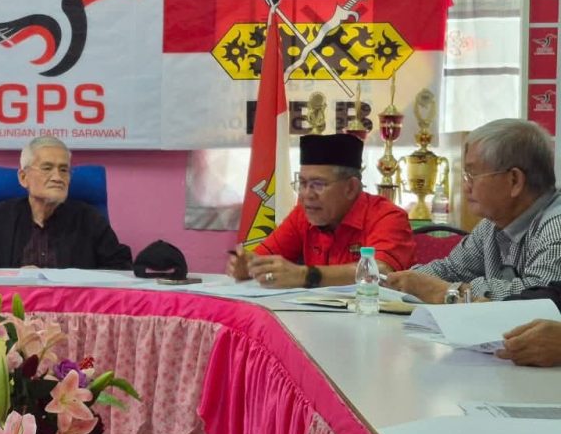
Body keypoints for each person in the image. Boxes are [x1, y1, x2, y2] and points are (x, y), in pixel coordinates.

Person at [386, 119, 561, 304]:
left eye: (472, 175)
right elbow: (450, 270)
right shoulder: (491, 225)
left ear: (514, 180)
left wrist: (450, 291)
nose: (465, 187)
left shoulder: (556, 225)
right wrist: (398, 281)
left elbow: (542, 298)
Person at [229, 133, 415, 288]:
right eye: (302, 183)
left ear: (350, 188)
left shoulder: (387, 217)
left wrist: (306, 275)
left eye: (318, 184)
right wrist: (249, 266)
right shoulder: (303, 214)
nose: (306, 195)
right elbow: (262, 259)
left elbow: (380, 273)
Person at [0, 136, 132, 270]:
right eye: (47, 168)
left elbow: (120, 268)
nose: (57, 177)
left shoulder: (90, 220)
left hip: (72, 307)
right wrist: (13, 277)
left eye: (64, 170)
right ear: (23, 178)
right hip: (11, 306)